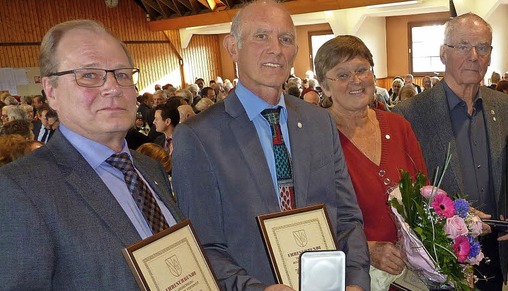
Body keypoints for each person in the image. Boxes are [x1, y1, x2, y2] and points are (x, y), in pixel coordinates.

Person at [171, 1, 370, 290]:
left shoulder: (319, 122)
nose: (276, 49)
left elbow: (348, 216)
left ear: (295, 51)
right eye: (261, 36)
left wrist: (355, 280)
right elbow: (202, 244)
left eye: (285, 39)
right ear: (232, 47)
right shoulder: (199, 137)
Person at [0, 20, 182, 289]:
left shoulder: (149, 169)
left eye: (122, 74)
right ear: (51, 90)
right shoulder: (19, 189)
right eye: (88, 75)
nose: (113, 87)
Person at [393, 13, 508, 290]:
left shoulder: (504, 106)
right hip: (440, 254)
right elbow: (404, 190)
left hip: (493, 245)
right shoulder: (411, 113)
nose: (474, 55)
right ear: (443, 53)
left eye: (483, 47)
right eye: (463, 46)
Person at [314, 34, 427, 284]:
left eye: (362, 70)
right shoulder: (315, 138)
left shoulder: (398, 126)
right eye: (342, 75)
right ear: (324, 86)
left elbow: (424, 194)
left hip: (411, 273)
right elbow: (313, 222)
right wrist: (365, 248)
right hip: (355, 276)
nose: (356, 80)